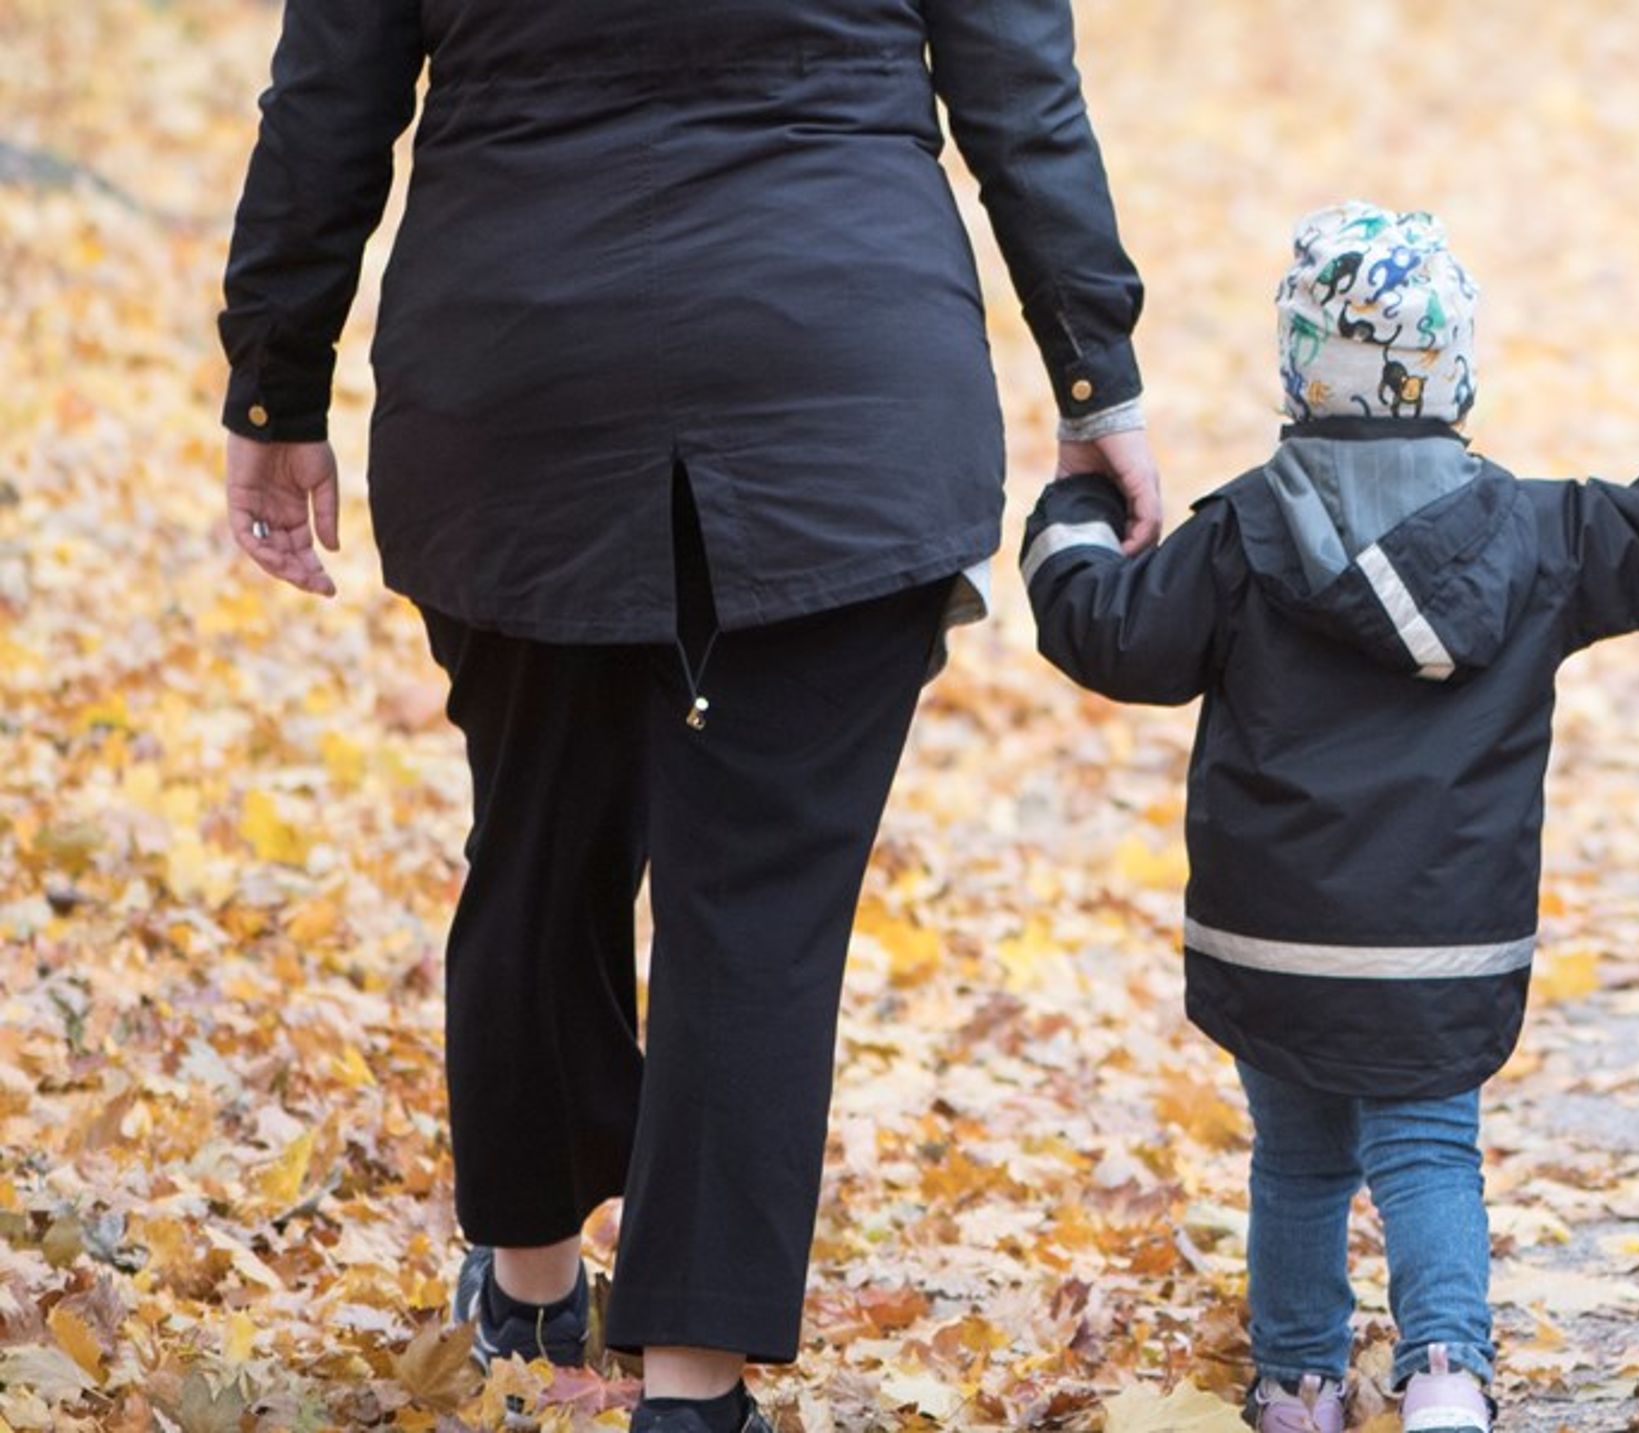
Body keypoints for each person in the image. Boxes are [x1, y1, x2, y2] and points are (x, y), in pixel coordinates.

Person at [215, 4, 1159, 1429]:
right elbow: (1017, 84)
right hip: (839, 376)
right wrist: (1097, 377)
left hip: (515, 377)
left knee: (537, 832)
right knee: (759, 900)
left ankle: (531, 1285)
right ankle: (690, 1389)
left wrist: (276, 380)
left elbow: (329, 91)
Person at [1021, 202, 1639, 1433]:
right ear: (1457, 367)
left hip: (1273, 945)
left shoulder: (1237, 536)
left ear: (1296, 365)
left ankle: (1297, 1380)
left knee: (1296, 1157)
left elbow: (1102, 627)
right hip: (1444, 947)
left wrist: (1073, 504)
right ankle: (1445, 1368)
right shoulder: (1546, 535)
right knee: (1427, 1148)